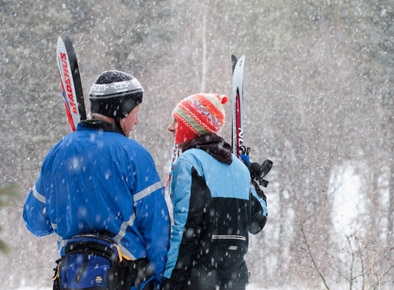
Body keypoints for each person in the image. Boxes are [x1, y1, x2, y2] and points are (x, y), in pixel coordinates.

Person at [23, 70, 170, 289]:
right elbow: (157, 230)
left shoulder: (58, 153)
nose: (137, 121)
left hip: (73, 279)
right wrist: (160, 281)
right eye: (135, 112)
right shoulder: (134, 155)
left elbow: (34, 221)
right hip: (126, 279)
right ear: (121, 111)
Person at [161, 93, 268, 290]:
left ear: (191, 125)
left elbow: (185, 227)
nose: (170, 127)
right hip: (235, 279)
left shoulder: (190, 162)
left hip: (198, 277)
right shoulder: (240, 168)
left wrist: (171, 278)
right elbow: (257, 223)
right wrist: (253, 182)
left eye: (176, 121)